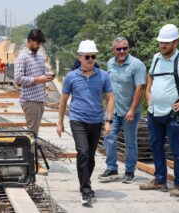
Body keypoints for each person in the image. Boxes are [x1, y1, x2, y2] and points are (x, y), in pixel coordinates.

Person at [140, 24, 179, 197]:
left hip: (175, 114)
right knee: (155, 146)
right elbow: (150, 76)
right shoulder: (157, 57)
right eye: (161, 43)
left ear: (176, 42)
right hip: (154, 112)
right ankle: (159, 180)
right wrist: (148, 94)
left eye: (167, 43)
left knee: (176, 149)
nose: (163, 46)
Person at [57, 40, 114, 206]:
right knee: (82, 151)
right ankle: (86, 190)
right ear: (80, 57)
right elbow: (63, 100)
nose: (90, 59)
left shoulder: (103, 76)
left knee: (90, 156)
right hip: (77, 120)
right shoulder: (71, 77)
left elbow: (110, 98)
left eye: (93, 56)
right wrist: (59, 122)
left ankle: (85, 182)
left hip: (96, 121)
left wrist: (108, 120)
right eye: (87, 56)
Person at [98, 37, 147, 184]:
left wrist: (132, 109)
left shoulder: (136, 65)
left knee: (130, 142)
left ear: (128, 49)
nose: (122, 51)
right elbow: (108, 88)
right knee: (109, 138)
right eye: (118, 49)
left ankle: (130, 171)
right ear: (113, 50)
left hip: (129, 111)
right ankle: (112, 168)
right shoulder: (110, 63)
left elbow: (140, 88)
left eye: (125, 48)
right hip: (113, 111)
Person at [14, 29, 55, 136]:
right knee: (32, 132)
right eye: (37, 43)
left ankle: (32, 152)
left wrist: (48, 76)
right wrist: (37, 80)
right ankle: (30, 152)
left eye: (40, 44)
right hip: (30, 100)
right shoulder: (22, 57)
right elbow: (18, 79)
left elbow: (43, 72)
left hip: (40, 99)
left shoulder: (39, 57)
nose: (39, 46)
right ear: (30, 41)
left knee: (34, 132)